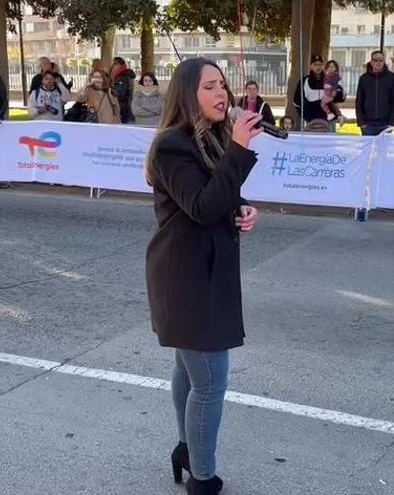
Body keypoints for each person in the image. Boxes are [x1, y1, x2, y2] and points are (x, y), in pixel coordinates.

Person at [144, 57, 262, 495]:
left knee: (190, 372)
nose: (222, 94)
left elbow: (220, 195)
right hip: (185, 279)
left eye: (223, 86)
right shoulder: (172, 145)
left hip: (204, 273)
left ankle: (187, 452)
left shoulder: (208, 138)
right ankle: (203, 478)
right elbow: (201, 206)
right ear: (188, 93)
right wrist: (240, 150)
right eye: (210, 86)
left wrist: (243, 206)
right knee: (210, 382)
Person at [355, 51, 394, 136]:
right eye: (375, 60)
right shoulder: (364, 78)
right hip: (368, 124)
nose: (378, 62)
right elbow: (359, 101)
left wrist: (392, 122)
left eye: (381, 60)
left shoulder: (391, 77)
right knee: (368, 149)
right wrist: (361, 122)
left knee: (384, 149)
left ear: (384, 62)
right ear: (371, 62)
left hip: (386, 124)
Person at [293, 54, 345, 127]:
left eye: (320, 64)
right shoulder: (304, 81)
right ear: (310, 66)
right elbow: (296, 102)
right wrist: (305, 116)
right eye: (315, 65)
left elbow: (341, 97)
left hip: (330, 120)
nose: (318, 67)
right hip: (310, 120)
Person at [111, 57, 136, 124]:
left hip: (123, 109)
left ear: (120, 65)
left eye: (115, 64)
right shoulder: (125, 75)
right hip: (126, 108)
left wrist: (109, 90)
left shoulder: (122, 77)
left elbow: (119, 93)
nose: (112, 66)